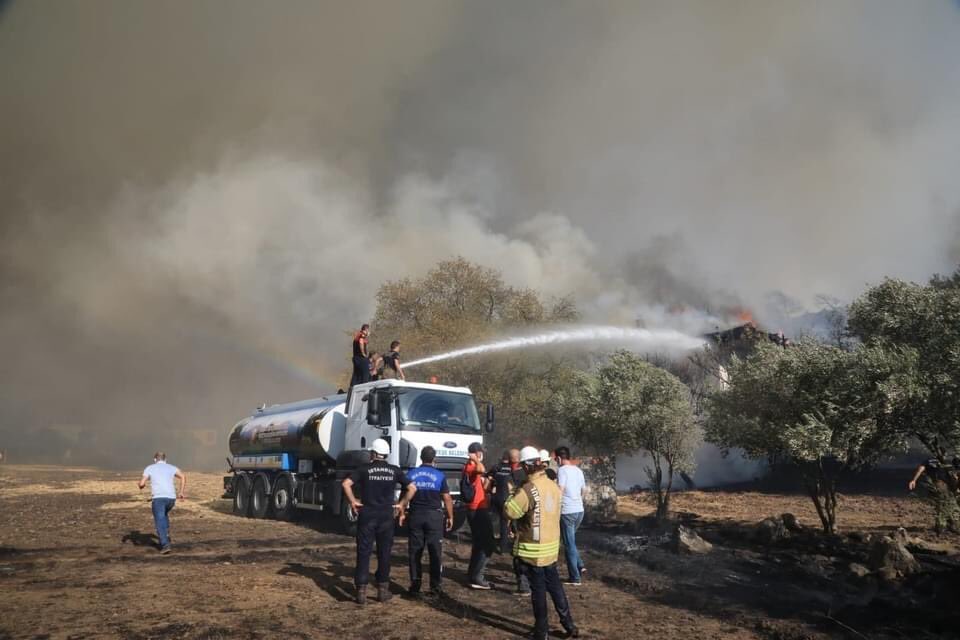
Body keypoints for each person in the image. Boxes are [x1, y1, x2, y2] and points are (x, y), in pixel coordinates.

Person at [503, 446, 578, 640]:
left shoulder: (528, 489)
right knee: (555, 588)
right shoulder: (553, 485)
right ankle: (569, 625)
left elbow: (510, 512)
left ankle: (541, 632)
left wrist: (513, 492)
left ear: (528, 467)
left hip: (533, 551)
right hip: (551, 549)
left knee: (538, 593)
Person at [342, 438, 416, 604]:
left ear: (373, 453)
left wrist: (353, 501)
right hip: (386, 516)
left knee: (364, 552)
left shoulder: (364, 469)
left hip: (367, 515)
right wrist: (401, 504)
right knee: (384, 553)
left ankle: (361, 592)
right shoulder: (394, 470)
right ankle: (382, 591)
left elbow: (346, 484)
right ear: (386, 454)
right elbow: (412, 488)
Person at [401, 446, 454, 597]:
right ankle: (435, 587)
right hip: (434, 517)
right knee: (435, 552)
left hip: (416, 515)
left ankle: (415, 585)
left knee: (415, 552)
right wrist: (450, 516)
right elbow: (447, 498)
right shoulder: (439, 475)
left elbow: (405, 495)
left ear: (421, 458)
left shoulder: (412, 474)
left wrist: (402, 512)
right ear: (434, 459)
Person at [137, 451, 186, 555]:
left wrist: (140, 485)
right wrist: (181, 492)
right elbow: (183, 476)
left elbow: (142, 484)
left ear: (155, 459)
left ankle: (165, 544)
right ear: (165, 459)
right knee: (163, 515)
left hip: (159, 498)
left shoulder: (150, 468)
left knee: (159, 521)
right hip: (171, 499)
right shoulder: (171, 467)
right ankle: (166, 534)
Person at [464, 442, 496, 589]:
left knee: (478, 544)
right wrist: (476, 460)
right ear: (475, 453)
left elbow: (482, 486)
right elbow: (481, 468)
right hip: (477, 509)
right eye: (480, 452)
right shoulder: (472, 465)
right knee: (488, 544)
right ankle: (478, 576)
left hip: (478, 508)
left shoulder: (472, 467)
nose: (482, 455)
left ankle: (472, 575)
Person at [555, 446, 587, 585]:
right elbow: (583, 490)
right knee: (571, 542)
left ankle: (575, 578)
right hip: (579, 511)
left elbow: (559, 490)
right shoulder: (578, 470)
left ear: (558, 458)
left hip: (567, 512)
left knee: (569, 544)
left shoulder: (561, 471)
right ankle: (580, 565)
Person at [908, 456, 960, 533]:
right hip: (942, 485)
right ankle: (944, 526)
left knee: (943, 506)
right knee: (947, 506)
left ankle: (945, 526)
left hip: (940, 485)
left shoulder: (932, 461)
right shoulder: (944, 462)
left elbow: (921, 469)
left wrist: (914, 480)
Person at [489, 450, 517, 554]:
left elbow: (488, 477)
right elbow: (514, 483)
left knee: (493, 520)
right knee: (505, 523)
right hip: (507, 498)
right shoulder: (512, 469)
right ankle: (503, 547)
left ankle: (490, 543)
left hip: (496, 497)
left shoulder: (496, 467)